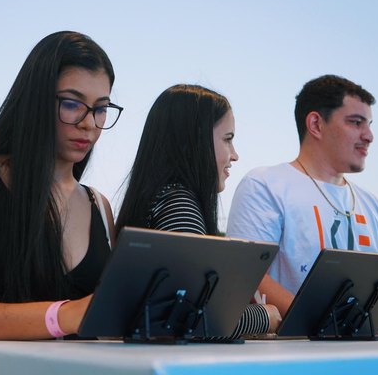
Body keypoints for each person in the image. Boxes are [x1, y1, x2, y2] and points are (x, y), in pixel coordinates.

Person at [0, 31, 121, 345]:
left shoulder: (99, 205)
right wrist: (63, 315)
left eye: (100, 109)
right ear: (35, 99)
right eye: (72, 104)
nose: (89, 123)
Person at [227, 74, 378, 338]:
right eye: (356, 122)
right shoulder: (265, 185)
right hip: (291, 356)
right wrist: (328, 321)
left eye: (369, 124)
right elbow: (247, 276)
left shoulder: (373, 204)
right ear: (316, 124)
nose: (369, 135)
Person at [115, 84, 281, 338]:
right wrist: (266, 316)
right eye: (228, 139)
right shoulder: (178, 203)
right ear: (194, 140)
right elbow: (192, 318)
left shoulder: (159, 196)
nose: (234, 155)